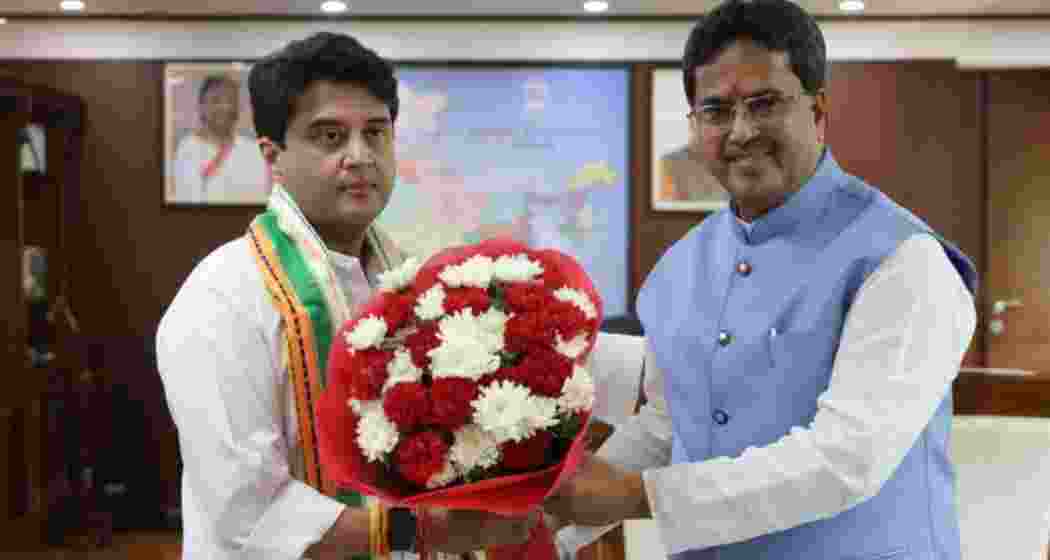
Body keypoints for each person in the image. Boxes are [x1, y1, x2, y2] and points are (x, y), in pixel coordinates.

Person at [546, 1, 978, 559]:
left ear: (818, 109)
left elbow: (848, 459)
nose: (741, 131)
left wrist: (640, 496)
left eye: (765, 103)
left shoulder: (906, 259)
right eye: (716, 110)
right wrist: (548, 519)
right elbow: (673, 423)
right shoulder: (678, 268)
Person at [156, 32, 538, 560]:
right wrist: (424, 531)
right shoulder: (223, 297)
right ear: (273, 155)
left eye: (375, 133)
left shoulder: (410, 282)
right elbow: (250, 514)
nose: (359, 157)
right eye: (330, 136)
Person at [169, 74, 272, 204]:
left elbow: (259, 203)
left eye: (231, 100)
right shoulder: (187, 150)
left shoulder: (253, 151)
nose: (225, 106)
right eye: (216, 100)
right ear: (201, 107)